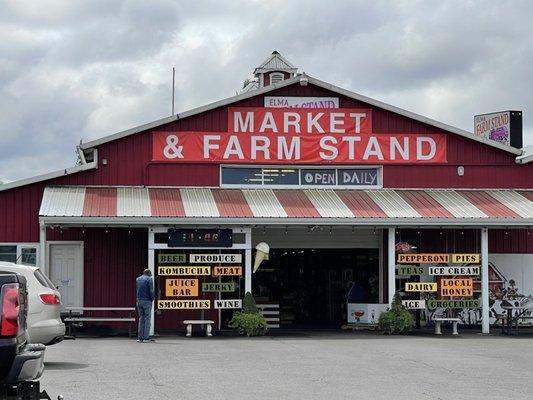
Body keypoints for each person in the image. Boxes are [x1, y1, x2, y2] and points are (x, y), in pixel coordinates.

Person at [136, 269, 154, 342]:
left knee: (141, 319)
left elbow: (138, 289)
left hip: (139, 300)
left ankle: (140, 338)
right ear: (149, 274)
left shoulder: (138, 279)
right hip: (147, 301)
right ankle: (146, 338)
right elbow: (151, 291)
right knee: (147, 319)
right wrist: (152, 298)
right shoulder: (149, 279)